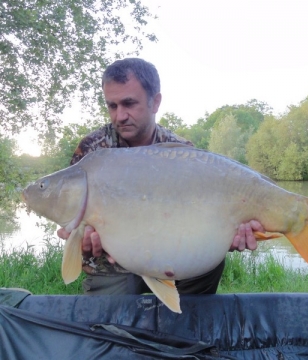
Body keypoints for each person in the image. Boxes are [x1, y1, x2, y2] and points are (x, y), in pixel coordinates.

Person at [57, 58, 264, 295]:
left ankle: (185, 325)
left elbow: (201, 219)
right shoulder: (93, 150)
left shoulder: (182, 153)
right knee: (111, 325)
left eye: (129, 103)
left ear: (155, 102)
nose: (120, 116)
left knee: (210, 267)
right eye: (112, 106)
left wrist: (227, 232)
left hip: (173, 255)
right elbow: (76, 221)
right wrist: (80, 243)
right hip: (112, 266)